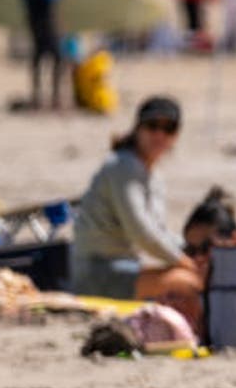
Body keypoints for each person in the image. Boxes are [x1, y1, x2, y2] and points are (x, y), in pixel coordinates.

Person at [71, 96, 204, 327]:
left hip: (125, 265)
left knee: (191, 276)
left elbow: (159, 232)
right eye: (153, 127)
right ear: (138, 129)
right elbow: (142, 234)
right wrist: (187, 263)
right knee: (189, 282)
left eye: (169, 128)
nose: (160, 135)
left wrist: (191, 252)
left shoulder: (151, 175)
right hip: (98, 272)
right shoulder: (124, 166)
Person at [21, 0, 70, 110]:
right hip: (44, 18)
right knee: (54, 57)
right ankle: (51, 99)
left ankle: (40, 98)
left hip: (36, 18)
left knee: (40, 57)